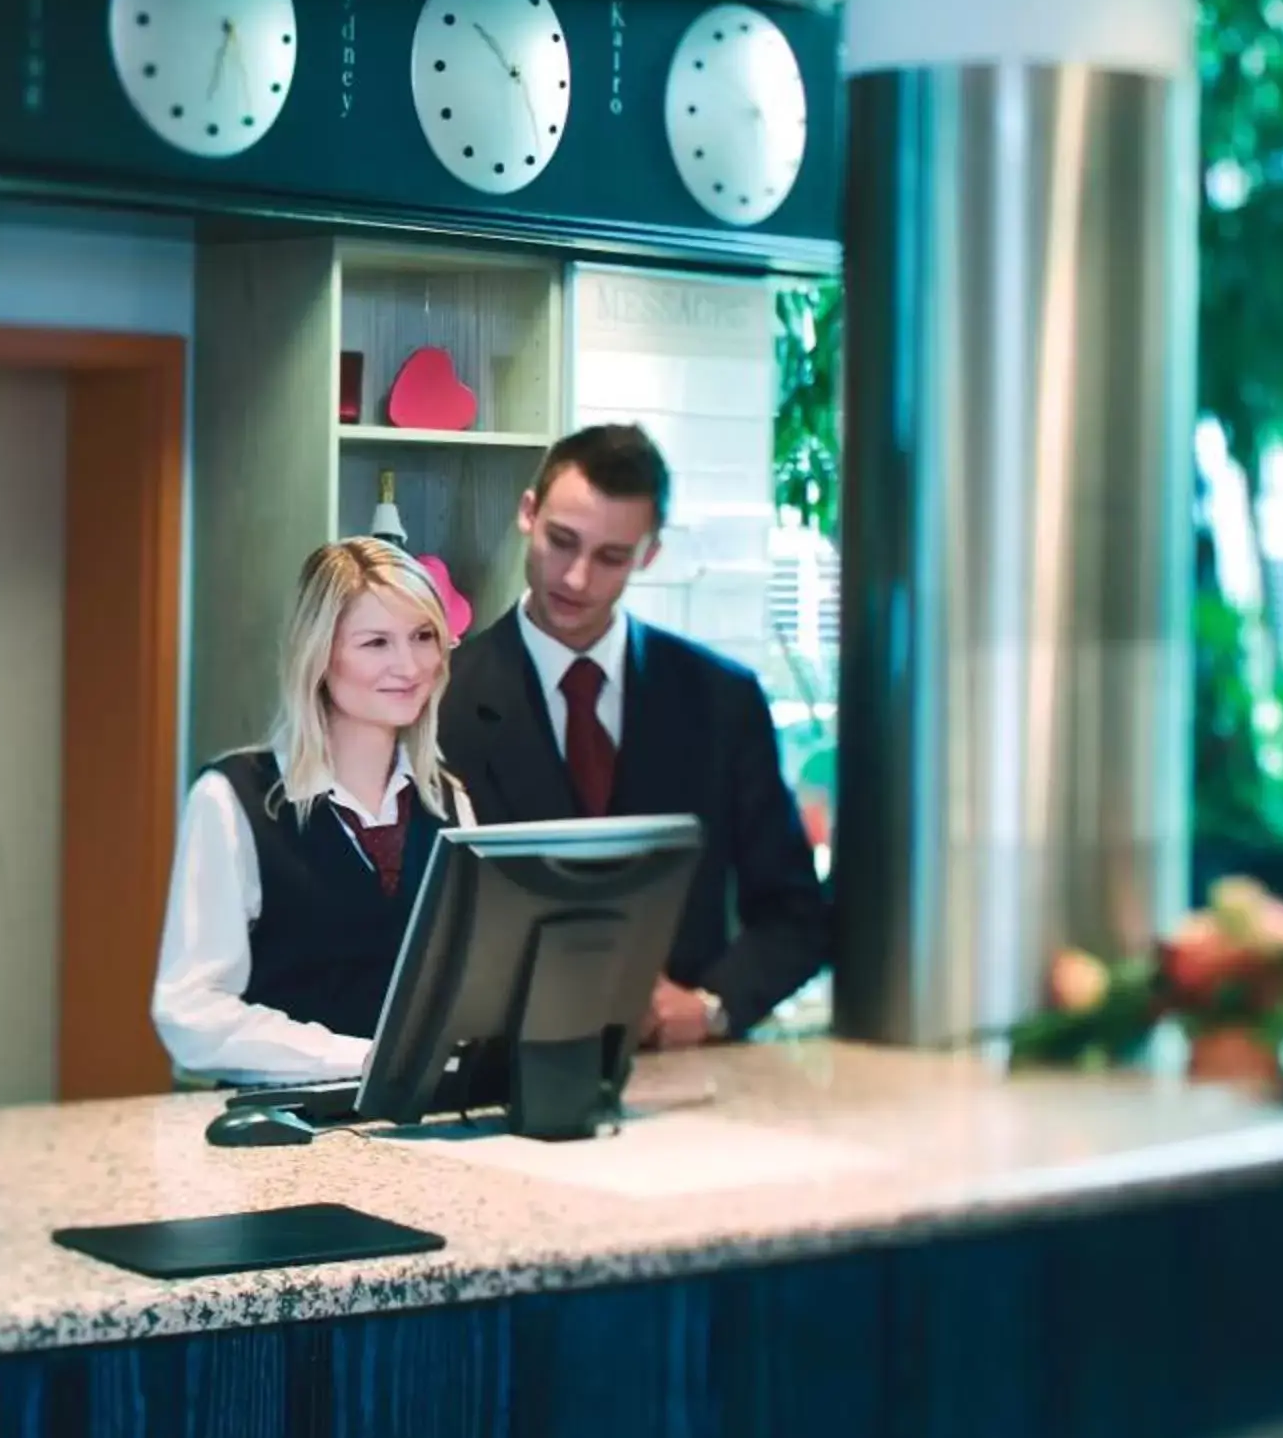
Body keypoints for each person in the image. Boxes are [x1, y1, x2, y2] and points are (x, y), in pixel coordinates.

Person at [441, 423, 829, 1048]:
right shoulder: (439, 703)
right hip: (498, 1071)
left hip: (686, 1081)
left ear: (648, 554)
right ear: (528, 513)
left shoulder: (721, 700)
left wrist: (712, 1007)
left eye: (611, 557)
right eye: (561, 542)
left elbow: (796, 915)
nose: (575, 578)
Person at [152, 537, 474, 1086]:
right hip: (281, 1136)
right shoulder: (233, 800)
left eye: (423, 637)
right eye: (376, 643)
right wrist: (360, 1060)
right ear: (320, 655)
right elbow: (193, 1015)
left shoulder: (449, 803)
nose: (409, 665)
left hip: (421, 1125)